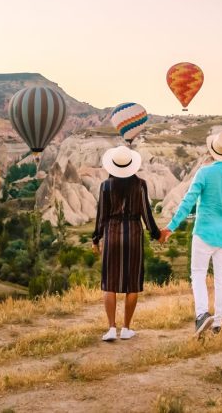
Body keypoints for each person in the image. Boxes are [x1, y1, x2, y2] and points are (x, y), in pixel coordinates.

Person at [160, 133, 222, 338]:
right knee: (221, 278)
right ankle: (217, 322)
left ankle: (201, 315)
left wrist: (171, 227)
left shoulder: (204, 173)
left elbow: (188, 201)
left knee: (198, 274)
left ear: (212, 152)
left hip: (203, 233)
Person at [92, 145, 161, 342]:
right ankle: (126, 329)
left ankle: (111, 328)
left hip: (111, 234)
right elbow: (146, 214)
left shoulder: (105, 186)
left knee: (109, 284)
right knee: (132, 284)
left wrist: (95, 238)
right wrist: (157, 234)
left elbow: (101, 216)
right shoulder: (140, 185)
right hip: (133, 235)